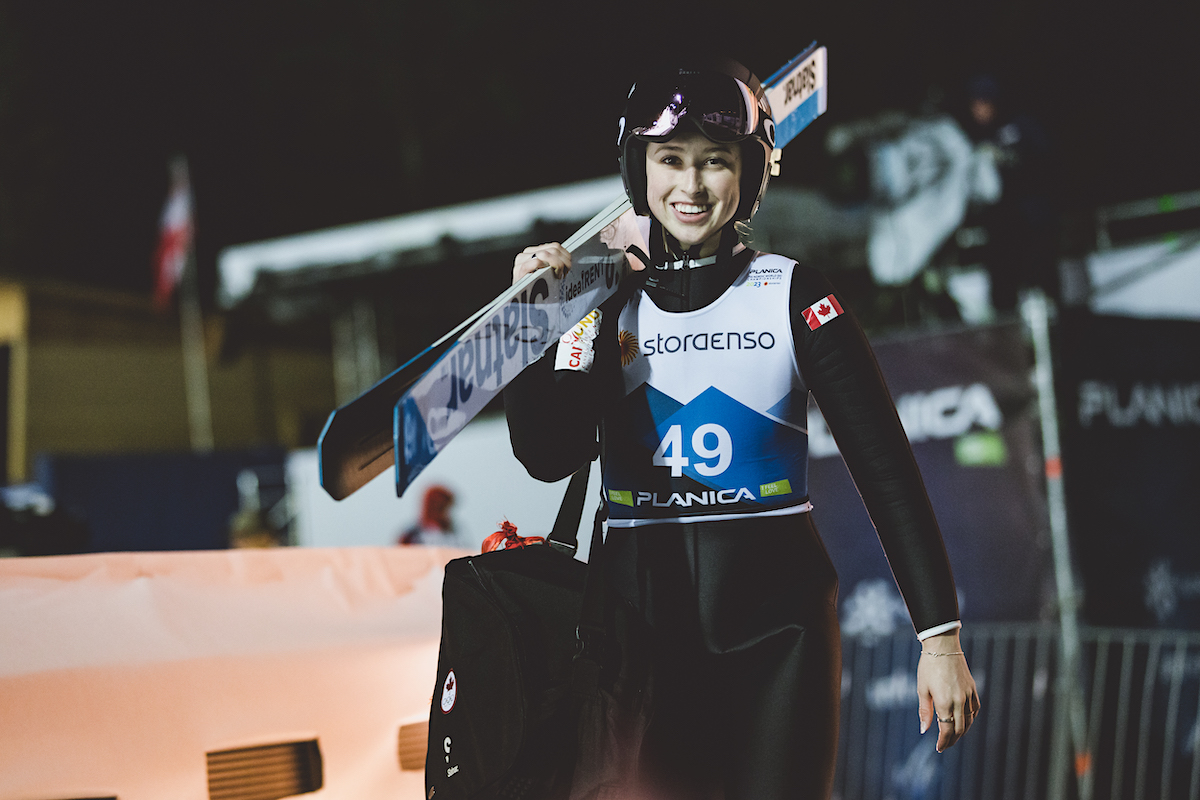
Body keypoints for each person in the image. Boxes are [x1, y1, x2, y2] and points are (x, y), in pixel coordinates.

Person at [505, 56, 980, 800]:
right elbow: (546, 452)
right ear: (639, 169)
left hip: (779, 644)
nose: (691, 186)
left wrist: (939, 637)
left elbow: (885, 466)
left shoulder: (793, 294)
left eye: (716, 162)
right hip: (640, 644)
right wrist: (535, 328)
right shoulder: (605, 305)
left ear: (750, 174)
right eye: (670, 160)